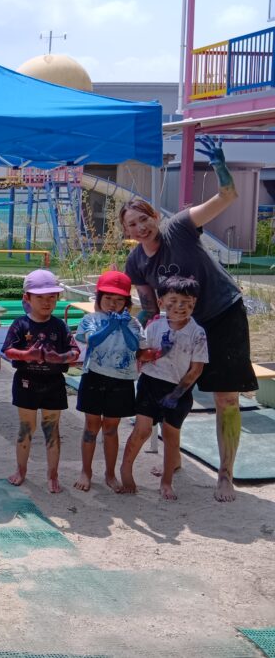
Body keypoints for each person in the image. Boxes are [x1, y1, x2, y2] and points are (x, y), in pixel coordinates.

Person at [121, 135, 255, 502]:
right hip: (181, 328)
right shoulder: (137, 262)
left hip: (223, 314)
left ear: (155, 216)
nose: (140, 227)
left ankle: (225, 474)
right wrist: (141, 343)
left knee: (226, 398)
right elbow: (149, 309)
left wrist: (220, 165)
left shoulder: (179, 228)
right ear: (126, 232)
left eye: (144, 218)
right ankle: (174, 459)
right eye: (132, 224)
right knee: (171, 392)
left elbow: (228, 196)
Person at [119, 276, 208, 501]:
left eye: (186, 302)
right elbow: (141, 355)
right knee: (142, 430)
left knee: (170, 435)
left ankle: (167, 481)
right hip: (150, 384)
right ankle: (125, 470)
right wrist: (158, 353)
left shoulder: (197, 333)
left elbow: (196, 370)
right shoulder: (154, 327)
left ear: (194, 303)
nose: (180, 306)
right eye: (174, 301)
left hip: (179, 389)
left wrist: (176, 394)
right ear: (161, 302)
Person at [3, 270, 80, 493]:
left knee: (51, 429)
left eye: (51, 297)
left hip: (53, 383)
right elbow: (8, 350)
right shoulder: (20, 325)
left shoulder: (60, 326)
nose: (47, 302)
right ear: (27, 298)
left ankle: (52, 475)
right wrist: (27, 355)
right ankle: (21, 470)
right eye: (40, 297)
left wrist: (59, 358)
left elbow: (75, 352)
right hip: (26, 382)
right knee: (26, 427)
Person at [72, 270, 145, 493]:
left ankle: (110, 473)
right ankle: (86, 471)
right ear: (99, 298)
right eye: (108, 298)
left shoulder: (132, 323)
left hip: (121, 381)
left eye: (119, 300)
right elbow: (92, 340)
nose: (113, 303)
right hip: (94, 377)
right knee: (91, 427)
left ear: (127, 303)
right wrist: (111, 326)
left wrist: (121, 326)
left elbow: (135, 346)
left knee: (111, 429)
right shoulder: (90, 319)